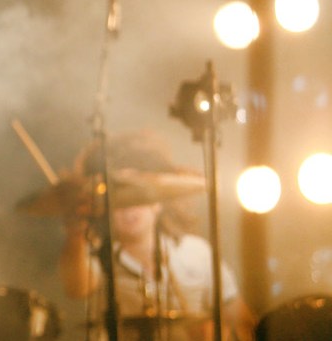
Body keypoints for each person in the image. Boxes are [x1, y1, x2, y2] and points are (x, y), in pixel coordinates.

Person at [57, 130, 256, 341]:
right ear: (105, 209)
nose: (130, 208)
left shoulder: (198, 253)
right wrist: (75, 233)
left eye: (137, 197)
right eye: (120, 200)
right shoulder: (96, 256)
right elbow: (77, 287)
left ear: (158, 202)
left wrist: (219, 332)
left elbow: (243, 322)